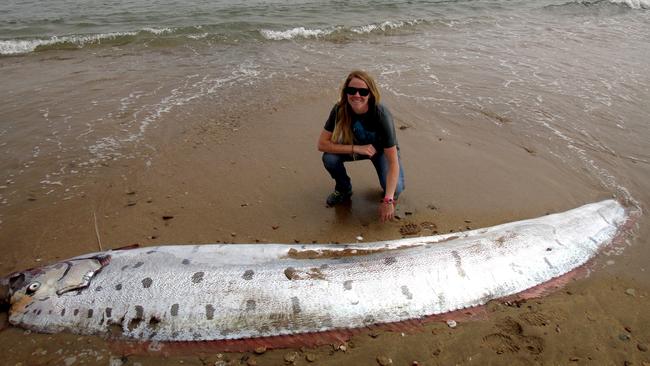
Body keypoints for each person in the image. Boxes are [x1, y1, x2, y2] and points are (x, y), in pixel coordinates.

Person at [317, 70, 405, 222]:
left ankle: (389, 194)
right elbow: (322, 144)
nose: (357, 95)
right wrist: (355, 148)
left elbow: (393, 161)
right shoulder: (339, 109)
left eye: (363, 91)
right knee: (329, 158)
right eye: (352, 90)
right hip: (358, 149)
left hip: (381, 152)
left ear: (370, 93)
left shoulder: (381, 114)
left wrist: (388, 200)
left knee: (395, 189)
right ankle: (343, 189)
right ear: (346, 92)